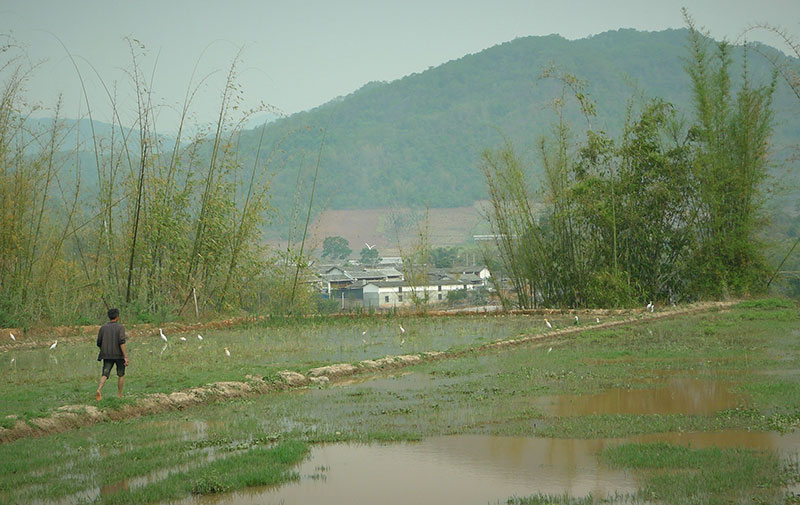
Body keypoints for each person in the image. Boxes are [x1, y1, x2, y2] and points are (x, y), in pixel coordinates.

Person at [96, 308, 129, 401]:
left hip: (107, 355)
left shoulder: (103, 328)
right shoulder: (120, 328)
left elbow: (99, 342)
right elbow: (122, 342)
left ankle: (99, 389)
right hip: (119, 355)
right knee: (121, 374)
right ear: (117, 317)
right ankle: (119, 394)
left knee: (105, 374)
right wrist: (125, 357)